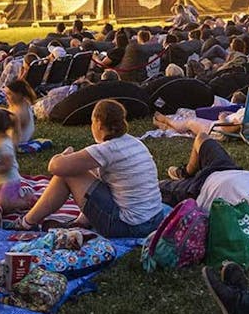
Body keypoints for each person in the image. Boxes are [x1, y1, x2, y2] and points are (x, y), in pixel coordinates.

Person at [11, 99, 163, 236]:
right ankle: (81, 222)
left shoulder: (108, 149)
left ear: (98, 123)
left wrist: (63, 155)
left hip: (131, 226)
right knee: (82, 171)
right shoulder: (134, 142)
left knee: (67, 174)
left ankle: (26, 223)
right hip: (153, 220)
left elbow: (55, 167)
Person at [5, 78, 37, 145]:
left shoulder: (20, 112)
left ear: (19, 94)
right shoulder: (22, 103)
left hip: (18, 141)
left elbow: (10, 133)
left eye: (9, 94)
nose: (6, 97)